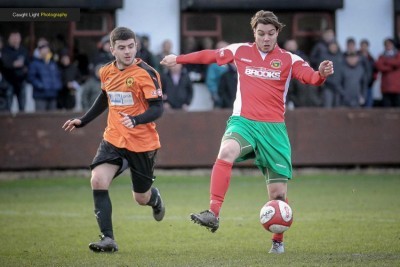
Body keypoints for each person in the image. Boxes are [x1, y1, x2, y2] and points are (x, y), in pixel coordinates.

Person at [161, 10, 334, 254]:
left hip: (274, 130)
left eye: (271, 34)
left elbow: (310, 78)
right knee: (226, 151)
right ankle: (213, 212)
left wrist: (321, 75)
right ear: (254, 33)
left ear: (277, 34)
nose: (266, 38)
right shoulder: (240, 51)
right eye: (261, 33)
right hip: (244, 123)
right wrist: (179, 59)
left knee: (278, 197)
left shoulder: (290, 59)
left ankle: (277, 241)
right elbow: (210, 55)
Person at [62, 26, 165, 253]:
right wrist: (84, 120)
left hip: (142, 143)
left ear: (136, 46)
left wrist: (136, 120)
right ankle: (108, 239)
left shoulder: (147, 73)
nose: (127, 51)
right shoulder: (106, 71)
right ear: (112, 49)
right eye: (122, 48)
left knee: (140, 197)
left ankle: (154, 198)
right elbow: (104, 97)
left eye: (131, 46)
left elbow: (158, 108)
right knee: (98, 180)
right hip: (114, 139)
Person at [28, 38, 62, 111]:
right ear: (39, 50)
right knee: (40, 118)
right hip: (40, 95)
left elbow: (57, 77)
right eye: (43, 48)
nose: (46, 50)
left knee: (52, 118)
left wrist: (57, 86)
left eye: (47, 48)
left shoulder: (52, 63)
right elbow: (31, 78)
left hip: (52, 95)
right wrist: (41, 85)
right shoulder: (34, 63)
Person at [1, 30, 29, 112]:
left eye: (17, 38)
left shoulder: (23, 50)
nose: (15, 40)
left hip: (21, 81)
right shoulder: (5, 50)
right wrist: (13, 64)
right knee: (7, 105)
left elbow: (27, 63)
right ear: (9, 39)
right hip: (8, 81)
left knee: (22, 105)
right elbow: (4, 63)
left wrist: (25, 69)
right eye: (13, 38)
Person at [375, 38, 400, 107]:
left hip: (397, 88)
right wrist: (392, 67)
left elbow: (398, 63)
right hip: (386, 87)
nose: (388, 46)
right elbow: (379, 66)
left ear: (393, 45)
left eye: (390, 44)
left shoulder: (398, 54)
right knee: (386, 110)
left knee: (397, 109)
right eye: (386, 44)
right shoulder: (381, 56)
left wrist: (386, 61)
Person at [205, 41, 229, 108]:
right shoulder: (214, 65)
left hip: (231, 96)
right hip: (219, 96)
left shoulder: (233, 64)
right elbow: (210, 81)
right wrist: (215, 94)